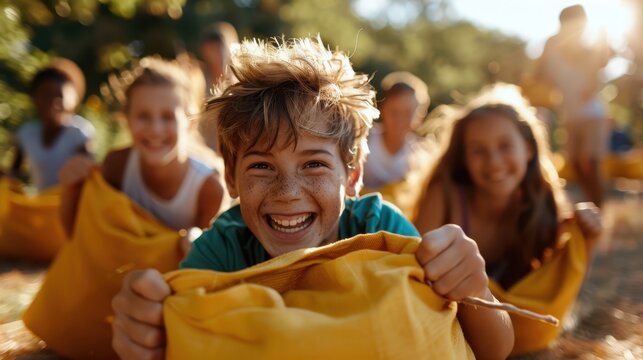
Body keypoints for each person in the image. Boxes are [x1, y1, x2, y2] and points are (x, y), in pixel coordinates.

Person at [111, 36, 514, 360]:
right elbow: (168, 334)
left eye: (314, 165)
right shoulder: (224, 250)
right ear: (231, 179)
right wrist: (146, 327)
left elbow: (494, 350)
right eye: (261, 167)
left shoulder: (380, 232)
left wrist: (474, 290)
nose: (287, 192)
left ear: (352, 175)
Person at [414, 83, 602, 290]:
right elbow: (414, 275)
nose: (493, 161)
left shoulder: (541, 208)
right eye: (478, 150)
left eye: (505, 146)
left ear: (528, 149)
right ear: (464, 159)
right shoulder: (445, 197)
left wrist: (586, 241)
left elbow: (559, 290)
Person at [58, 57, 225, 238]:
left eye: (167, 117)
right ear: (126, 119)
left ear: (190, 123)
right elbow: (79, 235)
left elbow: (211, 258)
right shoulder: (117, 166)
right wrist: (72, 189)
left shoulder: (209, 188)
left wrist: (195, 241)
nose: (155, 129)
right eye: (143, 116)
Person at [535, 4, 612, 207]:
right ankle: (593, 205)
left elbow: (602, 63)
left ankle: (599, 211)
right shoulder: (552, 49)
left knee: (591, 161)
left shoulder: (590, 50)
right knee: (576, 165)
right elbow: (542, 77)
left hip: (593, 115)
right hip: (569, 116)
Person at [11, 64, 95, 191]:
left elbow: (89, 176)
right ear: (34, 99)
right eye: (46, 96)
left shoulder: (79, 134)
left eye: (59, 97)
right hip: (40, 205)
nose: (53, 103)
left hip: (70, 206)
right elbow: (14, 175)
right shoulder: (27, 133)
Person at [363, 71, 431, 189]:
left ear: (420, 116)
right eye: (394, 112)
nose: (399, 120)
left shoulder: (421, 157)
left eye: (407, 113)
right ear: (382, 109)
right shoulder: (362, 139)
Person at [197, 21, 240, 152]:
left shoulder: (242, 85)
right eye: (214, 49)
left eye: (223, 48)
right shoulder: (198, 82)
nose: (220, 55)